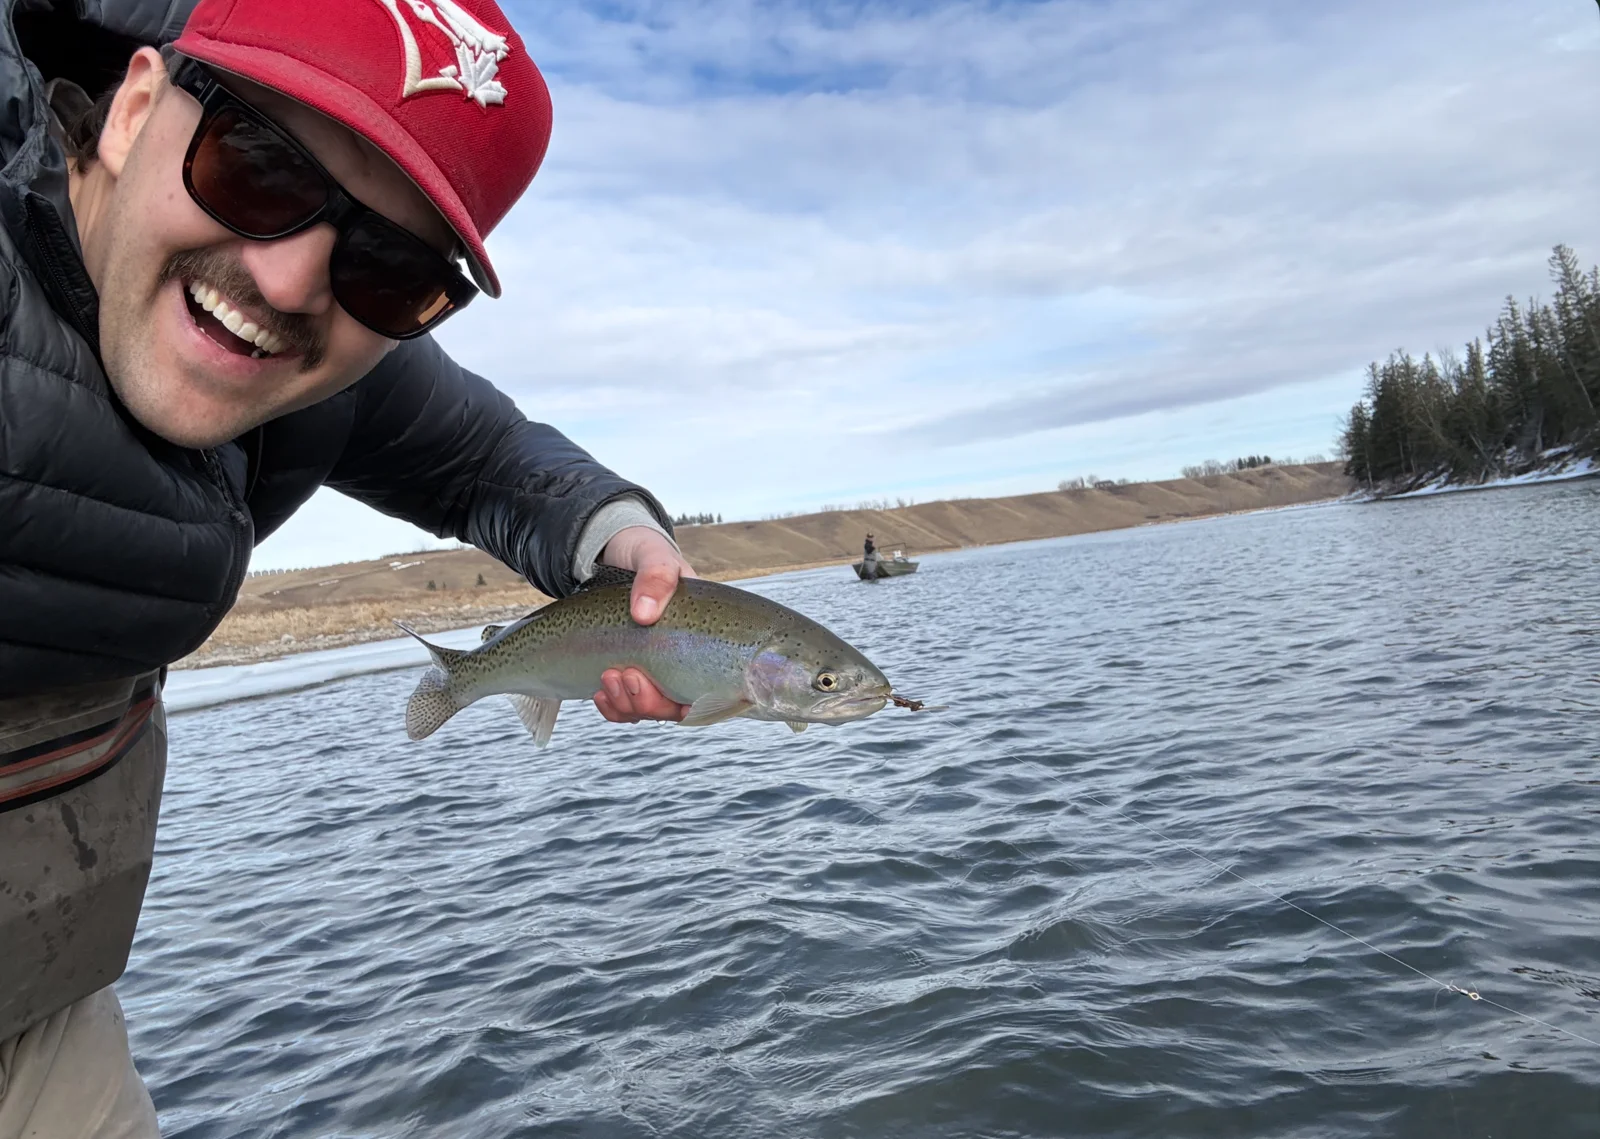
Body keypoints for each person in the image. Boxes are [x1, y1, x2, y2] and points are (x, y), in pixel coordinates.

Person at [0, 0, 691, 1131]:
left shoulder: (333, 356)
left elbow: (487, 454)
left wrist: (621, 538)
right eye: (255, 169)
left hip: (41, 1006)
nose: (286, 282)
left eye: (389, 267)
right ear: (131, 111)